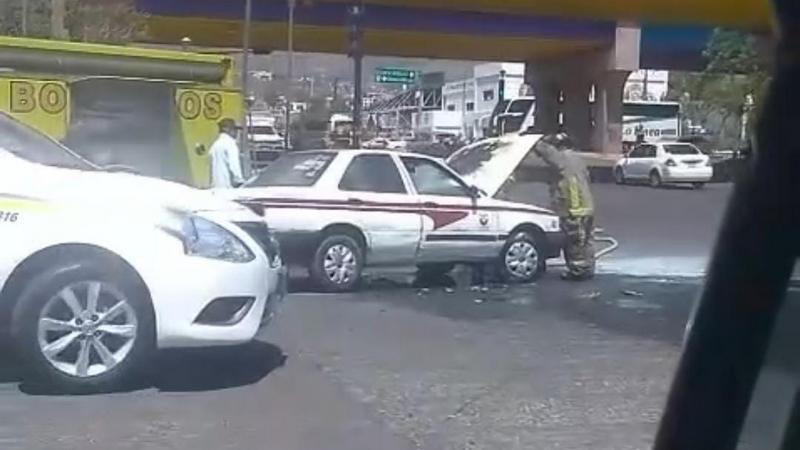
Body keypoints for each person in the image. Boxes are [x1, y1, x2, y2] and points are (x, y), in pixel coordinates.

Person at [532, 133, 596, 280]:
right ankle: (587, 269)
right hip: (586, 205)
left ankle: (578, 271)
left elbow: (545, 151)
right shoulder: (577, 159)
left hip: (574, 208)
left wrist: (536, 139)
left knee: (575, 241)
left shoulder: (562, 157)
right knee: (586, 240)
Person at [209, 118, 245, 188]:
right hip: (228, 188)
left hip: (215, 187)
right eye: (234, 129)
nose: (237, 132)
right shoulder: (230, 144)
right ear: (227, 130)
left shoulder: (214, 145)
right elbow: (234, 165)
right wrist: (239, 180)